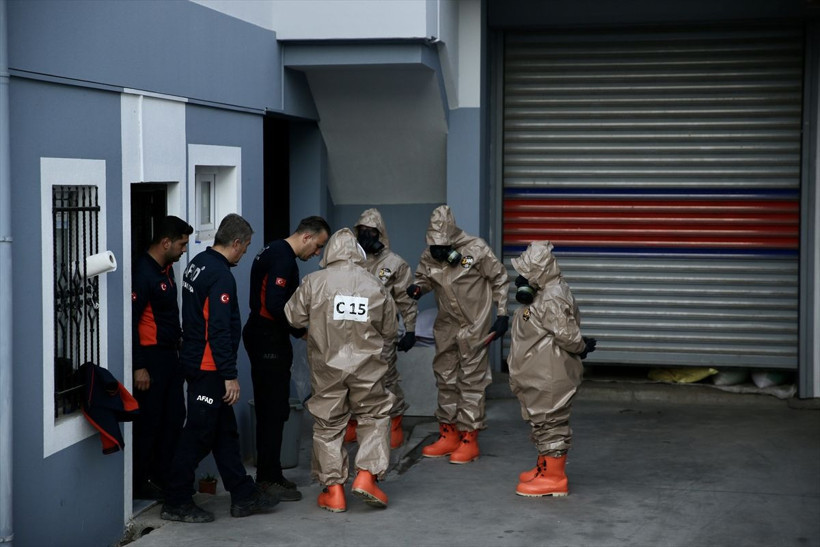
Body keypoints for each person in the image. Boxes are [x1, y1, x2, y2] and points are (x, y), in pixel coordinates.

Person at [161, 214, 278, 523]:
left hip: (197, 359)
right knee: (197, 435)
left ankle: (243, 495)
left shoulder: (198, 263)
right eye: (247, 246)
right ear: (235, 243)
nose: (246, 253)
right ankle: (175, 501)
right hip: (208, 367)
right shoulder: (221, 275)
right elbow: (218, 328)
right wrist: (229, 375)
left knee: (225, 433)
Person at [284, 228, 398, 513]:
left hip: (327, 366)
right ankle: (367, 477)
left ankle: (334, 491)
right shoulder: (374, 284)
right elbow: (390, 329)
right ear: (357, 254)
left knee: (328, 424)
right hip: (367, 366)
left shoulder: (314, 282)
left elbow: (292, 316)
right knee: (374, 416)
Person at [406, 205, 509, 464]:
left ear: (452, 238)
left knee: (472, 382)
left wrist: (503, 314)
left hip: (475, 325)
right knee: (445, 377)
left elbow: (499, 279)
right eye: (434, 246)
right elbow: (425, 278)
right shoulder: (431, 254)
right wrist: (419, 288)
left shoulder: (476, 248)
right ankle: (448, 433)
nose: (438, 251)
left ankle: (468, 439)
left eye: (442, 246)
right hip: (447, 325)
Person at [243, 216, 331, 502]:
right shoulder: (283, 258)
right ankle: (267, 479)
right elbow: (274, 305)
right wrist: (300, 330)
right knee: (272, 409)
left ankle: (272, 472)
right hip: (268, 338)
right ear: (306, 237)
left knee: (276, 408)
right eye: (318, 246)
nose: (316, 253)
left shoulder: (272, 250)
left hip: (264, 335)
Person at [507, 241, 596, 497]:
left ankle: (554, 478)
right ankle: (544, 467)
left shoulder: (552, 295)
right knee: (541, 421)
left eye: (527, 272)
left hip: (549, 372)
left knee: (551, 422)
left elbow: (566, 335)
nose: (522, 278)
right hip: (537, 371)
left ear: (541, 269)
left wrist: (581, 346)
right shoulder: (542, 292)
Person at [345, 208, 418, 449]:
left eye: (371, 231)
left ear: (380, 233)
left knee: (386, 379)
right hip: (353, 331)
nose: (366, 235)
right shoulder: (350, 260)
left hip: (382, 333)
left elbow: (406, 299)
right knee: (352, 378)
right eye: (362, 231)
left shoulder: (395, 263)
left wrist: (410, 329)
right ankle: (354, 423)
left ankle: (394, 423)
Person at [131, 216, 192, 500]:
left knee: (175, 418)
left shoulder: (166, 269)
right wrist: (139, 365)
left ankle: (164, 476)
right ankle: (142, 481)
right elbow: (131, 321)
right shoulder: (143, 273)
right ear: (165, 242)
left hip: (170, 356)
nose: (183, 250)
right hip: (152, 360)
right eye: (181, 244)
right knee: (150, 422)